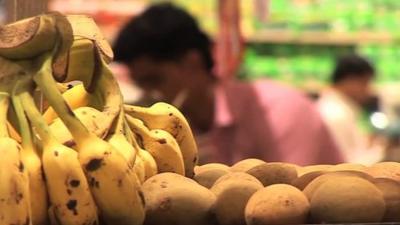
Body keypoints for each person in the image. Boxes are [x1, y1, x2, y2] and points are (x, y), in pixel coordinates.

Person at [113, 3, 343, 165]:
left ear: (192, 63)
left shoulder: (279, 109)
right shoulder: (175, 129)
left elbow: (288, 203)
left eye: (155, 80)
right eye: (140, 84)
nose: (148, 94)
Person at [317, 55, 384, 165]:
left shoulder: (340, 109)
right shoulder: (334, 113)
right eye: (365, 83)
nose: (369, 90)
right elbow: (346, 165)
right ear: (351, 80)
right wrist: (382, 148)